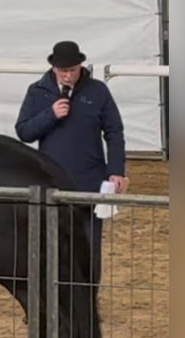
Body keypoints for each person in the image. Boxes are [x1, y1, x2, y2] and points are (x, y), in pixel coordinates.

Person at [15, 40, 129, 285]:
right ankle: (51, 299)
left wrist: (116, 170)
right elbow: (24, 132)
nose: (68, 76)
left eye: (73, 70)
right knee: (51, 244)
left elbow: (114, 132)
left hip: (90, 181)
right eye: (63, 71)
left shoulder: (97, 91)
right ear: (53, 68)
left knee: (89, 244)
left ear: (81, 66)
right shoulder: (37, 91)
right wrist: (50, 115)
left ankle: (88, 296)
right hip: (51, 182)